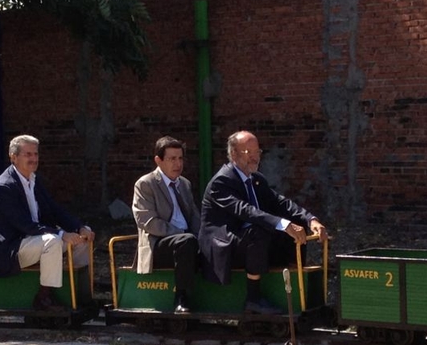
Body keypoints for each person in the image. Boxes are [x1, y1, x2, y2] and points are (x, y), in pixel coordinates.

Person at [199, 130, 327, 314]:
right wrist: (283, 224)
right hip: (224, 243)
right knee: (260, 230)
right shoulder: (222, 181)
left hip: (245, 240)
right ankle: (253, 299)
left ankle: (294, 290)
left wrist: (310, 220)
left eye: (257, 152)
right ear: (233, 154)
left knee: (292, 230)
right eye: (248, 152)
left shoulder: (256, 180)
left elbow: (281, 202)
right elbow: (245, 211)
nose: (254, 157)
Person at [0, 134, 95, 311]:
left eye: (35, 154)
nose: (34, 159)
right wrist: (62, 234)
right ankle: (43, 298)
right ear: (13, 157)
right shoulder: (3, 187)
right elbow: (24, 225)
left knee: (84, 238)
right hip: (12, 249)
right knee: (53, 241)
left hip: (35, 240)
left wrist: (78, 227)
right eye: (28, 154)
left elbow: (54, 209)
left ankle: (77, 294)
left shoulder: (34, 180)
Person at [132, 136, 201, 313]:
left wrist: (204, 235)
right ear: (158, 160)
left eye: (180, 158)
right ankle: (181, 296)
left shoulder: (184, 184)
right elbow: (148, 222)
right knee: (186, 241)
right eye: (172, 159)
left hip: (187, 240)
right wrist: (180, 233)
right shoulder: (145, 184)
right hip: (159, 243)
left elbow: (193, 215)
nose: (178, 164)